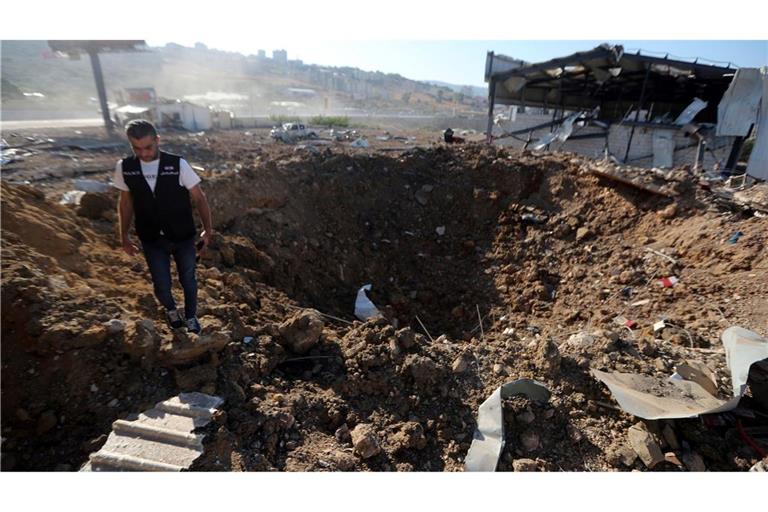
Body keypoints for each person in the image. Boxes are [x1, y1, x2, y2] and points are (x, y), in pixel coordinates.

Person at [113, 119, 213, 334]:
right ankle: (170, 310)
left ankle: (191, 316)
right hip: (151, 239)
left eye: (148, 147)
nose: (144, 153)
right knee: (161, 285)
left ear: (158, 140)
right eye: (137, 148)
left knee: (188, 279)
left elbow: (199, 197)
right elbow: (125, 203)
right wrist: (124, 236)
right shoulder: (126, 168)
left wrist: (208, 229)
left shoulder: (178, 164)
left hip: (183, 236)